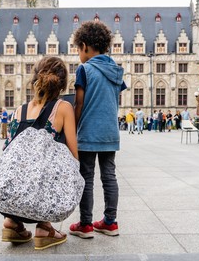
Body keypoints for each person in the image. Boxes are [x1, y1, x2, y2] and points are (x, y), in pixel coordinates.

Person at [0, 56, 78, 250]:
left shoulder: (19, 111)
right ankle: (44, 227)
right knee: (58, 160)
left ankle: (11, 223)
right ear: (62, 83)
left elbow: (7, 150)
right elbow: (73, 153)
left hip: (6, 196)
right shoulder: (63, 108)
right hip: (42, 194)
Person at [68, 20, 125, 239]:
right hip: (110, 132)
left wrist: (72, 128)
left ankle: (85, 224)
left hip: (89, 133)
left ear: (84, 46)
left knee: (87, 177)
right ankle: (110, 222)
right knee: (109, 176)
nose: (79, 55)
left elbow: (79, 103)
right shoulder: (116, 70)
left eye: (78, 50)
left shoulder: (84, 69)